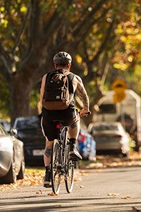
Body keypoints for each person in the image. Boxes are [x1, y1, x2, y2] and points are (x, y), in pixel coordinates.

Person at [39, 51, 90, 188]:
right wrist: (85, 109)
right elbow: (83, 95)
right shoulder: (74, 77)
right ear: (69, 64)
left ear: (55, 64)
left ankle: (48, 175)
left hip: (49, 114)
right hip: (67, 113)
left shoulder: (46, 77)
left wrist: (45, 112)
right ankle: (72, 145)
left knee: (49, 145)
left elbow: (42, 97)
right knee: (76, 118)